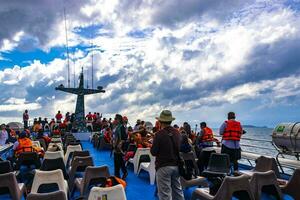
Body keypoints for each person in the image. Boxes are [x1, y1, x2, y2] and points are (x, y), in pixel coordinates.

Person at [151, 110, 184, 200]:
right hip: (176, 166)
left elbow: (153, 152)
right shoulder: (177, 133)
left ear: (160, 122)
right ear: (170, 121)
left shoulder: (158, 134)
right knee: (178, 192)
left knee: (165, 195)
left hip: (163, 167)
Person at [112, 114, 128, 179]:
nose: (114, 120)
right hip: (116, 146)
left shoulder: (121, 127)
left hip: (119, 147)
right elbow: (115, 136)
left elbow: (124, 137)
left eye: (115, 119)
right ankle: (124, 172)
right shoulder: (117, 126)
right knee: (119, 160)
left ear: (118, 120)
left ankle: (117, 176)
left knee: (117, 161)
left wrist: (120, 143)